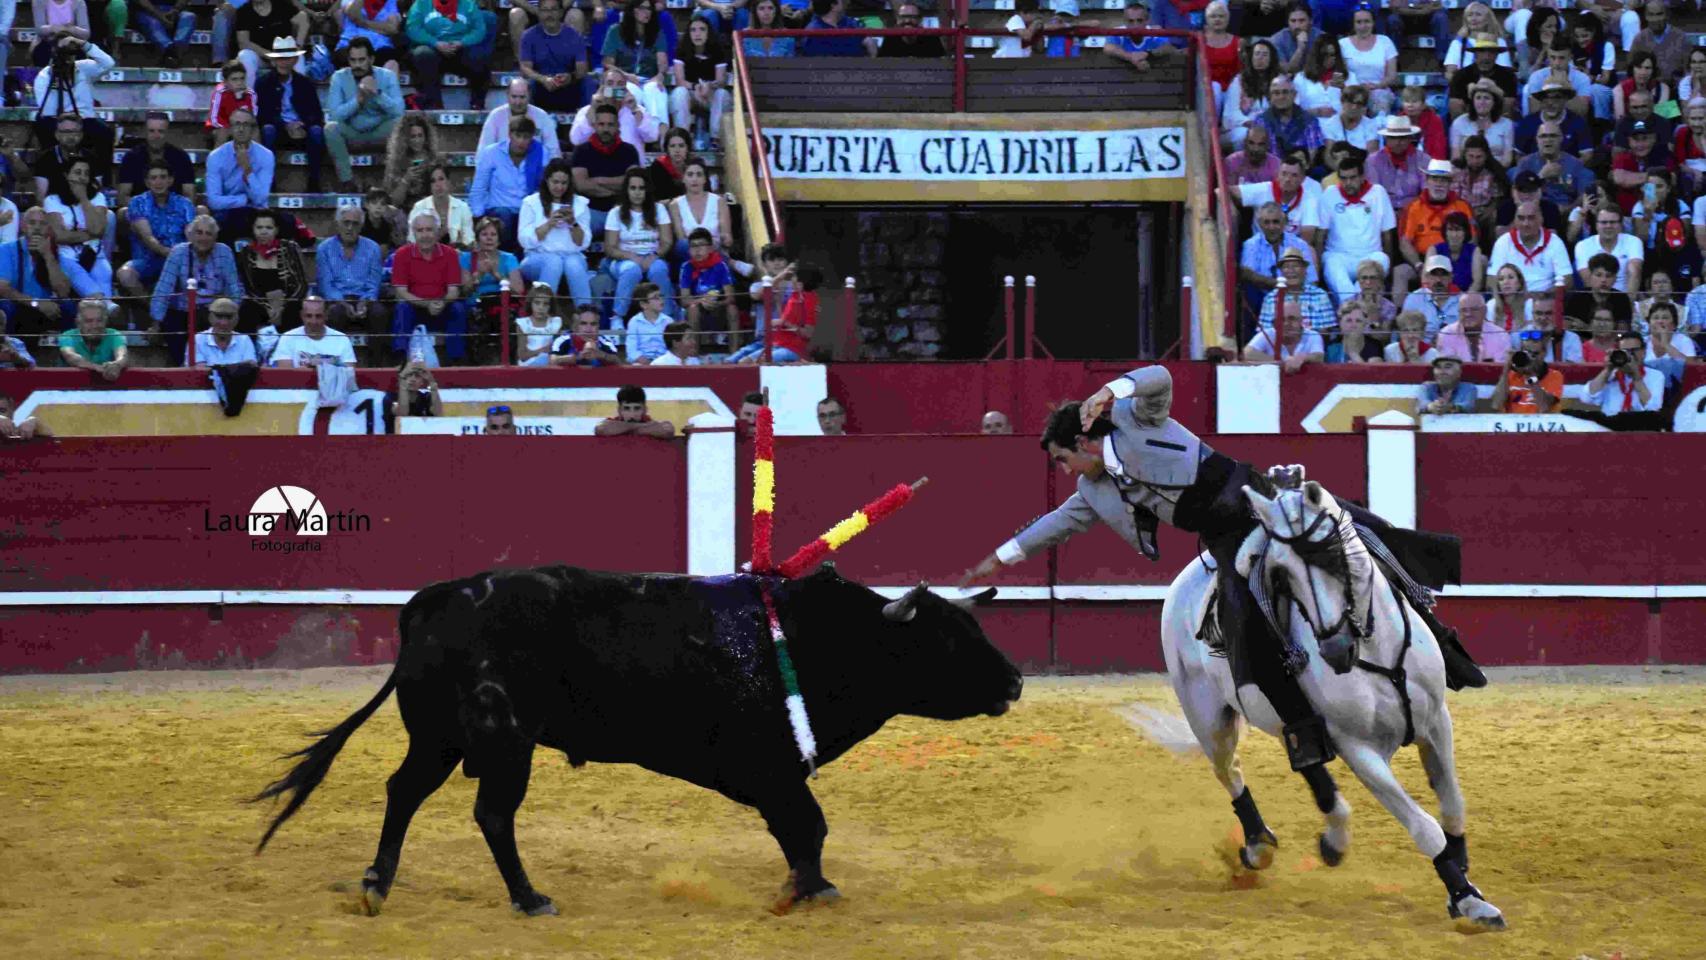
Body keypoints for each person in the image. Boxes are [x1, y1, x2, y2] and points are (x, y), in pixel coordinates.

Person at [959, 366, 1479, 799]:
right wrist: (1000, 557)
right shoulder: (1095, 491)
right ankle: (1301, 731)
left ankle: (1443, 645)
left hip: (1256, 496)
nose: (1066, 470)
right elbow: (1058, 523)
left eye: (1062, 459)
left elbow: (1158, 377)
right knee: (1242, 620)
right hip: (1224, 537)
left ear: (1081, 442)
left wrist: (1110, 390)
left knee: (1367, 534)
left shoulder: (1135, 420)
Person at [324, 37, 405, 194]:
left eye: (362, 60)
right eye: (353, 60)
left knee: (401, 124)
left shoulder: (387, 76)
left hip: (380, 133)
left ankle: (392, 182)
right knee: (331, 128)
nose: (357, 65)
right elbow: (334, 114)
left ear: (371, 59)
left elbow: (399, 111)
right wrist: (358, 102)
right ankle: (347, 182)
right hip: (352, 133)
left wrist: (377, 94)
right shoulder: (339, 77)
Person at [391, 212, 468, 364]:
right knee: (402, 308)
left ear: (438, 232)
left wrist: (441, 303)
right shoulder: (402, 254)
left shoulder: (450, 254)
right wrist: (427, 304)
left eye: (429, 230)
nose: (425, 235)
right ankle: (400, 360)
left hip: (442, 307)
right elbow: (401, 292)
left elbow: (453, 291)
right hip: (415, 308)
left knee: (458, 309)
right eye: (420, 231)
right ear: (413, 233)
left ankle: (456, 361)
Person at [30, 36, 115, 171]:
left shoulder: (83, 68)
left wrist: (83, 44)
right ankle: (53, 174)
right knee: (44, 126)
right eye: (63, 55)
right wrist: (56, 83)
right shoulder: (44, 77)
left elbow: (108, 63)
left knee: (104, 132)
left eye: (70, 56)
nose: (67, 60)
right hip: (57, 121)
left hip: (85, 120)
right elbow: (47, 111)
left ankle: (103, 178)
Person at [317, 205, 389, 364]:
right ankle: (335, 365)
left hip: (364, 299)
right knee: (335, 314)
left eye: (355, 223)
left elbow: (374, 283)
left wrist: (365, 301)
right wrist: (343, 303)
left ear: (361, 226)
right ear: (338, 224)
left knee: (380, 313)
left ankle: (376, 366)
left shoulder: (373, 248)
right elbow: (326, 286)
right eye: (346, 222)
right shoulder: (324, 249)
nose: (350, 227)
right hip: (338, 300)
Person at [1318, 154, 1396, 300]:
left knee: (1382, 259)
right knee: (1332, 265)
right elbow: (1321, 235)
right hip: (1338, 256)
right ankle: (1353, 306)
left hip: (1370, 255)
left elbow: (1387, 234)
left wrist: (1388, 270)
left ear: (1362, 177)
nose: (1348, 183)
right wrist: (1319, 269)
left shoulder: (1378, 192)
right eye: (1343, 178)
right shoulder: (1330, 194)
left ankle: (1352, 307)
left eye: (1353, 178)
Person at [604, 167, 676, 324]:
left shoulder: (659, 209)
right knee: (631, 270)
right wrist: (631, 256)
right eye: (633, 188)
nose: (637, 192)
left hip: (653, 256)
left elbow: (667, 241)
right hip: (624, 259)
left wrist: (654, 256)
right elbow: (610, 247)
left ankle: (668, 316)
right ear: (627, 190)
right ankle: (617, 316)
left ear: (647, 190)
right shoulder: (615, 213)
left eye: (641, 188)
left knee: (659, 269)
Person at [254, 38, 326, 194]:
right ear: (274, 61)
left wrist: (303, 124)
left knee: (316, 132)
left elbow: (316, 114)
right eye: (280, 59)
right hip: (278, 130)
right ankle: (269, 181)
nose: (283, 63)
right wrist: (285, 126)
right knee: (267, 130)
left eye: (287, 58)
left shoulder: (304, 83)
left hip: (301, 130)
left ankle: (314, 181)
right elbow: (262, 114)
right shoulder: (263, 83)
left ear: (294, 60)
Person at [519, 158, 594, 304]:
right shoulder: (531, 202)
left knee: (574, 264)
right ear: (547, 180)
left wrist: (573, 223)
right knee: (554, 261)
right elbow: (524, 240)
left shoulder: (580, 203)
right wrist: (549, 224)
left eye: (564, 183)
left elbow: (583, 243)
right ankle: (545, 313)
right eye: (555, 182)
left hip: (571, 255)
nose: (559, 187)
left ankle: (585, 313)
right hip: (536, 257)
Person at [470, 116, 547, 253]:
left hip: (526, 210)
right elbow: (479, 187)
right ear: (510, 134)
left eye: (526, 137)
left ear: (532, 138)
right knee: (504, 216)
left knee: (525, 219)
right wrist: (477, 218)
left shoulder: (540, 153)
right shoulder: (491, 153)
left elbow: (545, 187)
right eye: (518, 136)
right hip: (498, 210)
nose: (521, 141)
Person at [406, 0, 496, 111]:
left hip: (460, 48)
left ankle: (477, 104)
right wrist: (435, 43)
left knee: (481, 57)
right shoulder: (421, 4)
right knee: (422, 54)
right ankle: (434, 104)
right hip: (433, 49)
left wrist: (462, 42)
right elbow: (412, 29)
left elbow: (479, 30)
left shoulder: (468, 4)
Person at [41, 157, 111, 299]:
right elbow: (60, 236)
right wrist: (90, 235)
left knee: (106, 299)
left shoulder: (98, 197)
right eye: (78, 172)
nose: (82, 178)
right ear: (67, 175)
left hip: (96, 255)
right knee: (98, 298)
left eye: (86, 173)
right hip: (67, 258)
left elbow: (97, 229)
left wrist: (83, 198)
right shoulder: (52, 200)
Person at [205, 109, 276, 243]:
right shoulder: (216, 157)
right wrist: (243, 200)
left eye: (246, 125)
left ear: (252, 129)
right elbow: (213, 201)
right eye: (237, 124)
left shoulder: (266, 155)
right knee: (223, 223)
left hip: (257, 214)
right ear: (230, 129)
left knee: (280, 223)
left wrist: (247, 169)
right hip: (227, 213)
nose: (241, 129)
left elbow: (261, 198)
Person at [236, 208, 309, 337]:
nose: (264, 231)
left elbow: (302, 285)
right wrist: (268, 307)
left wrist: (282, 307)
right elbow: (249, 288)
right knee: (246, 312)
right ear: (253, 229)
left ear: (276, 230)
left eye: (269, 228)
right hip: (259, 303)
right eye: (259, 227)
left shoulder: (290, 248)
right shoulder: (246, 253)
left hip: (289, 302)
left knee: (294, 312)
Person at [601, 0, 671, 121]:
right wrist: (625, 76)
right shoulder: (615, 31)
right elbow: (607, 63)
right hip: (625, 80)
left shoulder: (657, 33)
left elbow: (662, 62)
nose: (647, 12)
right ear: (632, 10)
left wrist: (660, 75)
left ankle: (660, 134)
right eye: (642, 8)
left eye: (649, 9)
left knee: (654, 90)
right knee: (630, 93)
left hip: (649, 80)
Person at [518, 0, 590, 114]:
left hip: (568, 87)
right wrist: (543, 79)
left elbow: (582, 69)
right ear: (539, 13)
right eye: (545, 10)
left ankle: (585, 120)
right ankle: (528, 123)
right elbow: (525, 68)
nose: (549, 14)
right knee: (527, 84)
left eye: (553, 10)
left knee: (588, 82)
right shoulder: (528, 36)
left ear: (561, 12)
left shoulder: (574, 35)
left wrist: (570, 77)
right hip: (541, 87)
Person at [671, 17, 730, 148]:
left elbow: (721, 81)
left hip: (710, 93)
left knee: (722, 94)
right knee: (679, 92)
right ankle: (682, 138)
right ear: (689, 33)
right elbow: (680, 80)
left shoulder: (718, 50)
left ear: (708, 32)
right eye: (693, 30)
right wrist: (695, 87)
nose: (697, 34)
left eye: (702, 29)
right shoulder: (681, 50)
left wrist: (709, 86)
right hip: (690, 93)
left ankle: (716, 139)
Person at [115, 113, 196, 208]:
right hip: (141, 211)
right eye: (151, 131)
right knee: (122, 213)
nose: (156, 135)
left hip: (174, 210)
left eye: (160, 131)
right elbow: (123, 196)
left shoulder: (181, 157)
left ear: (167, 133)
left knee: (201, 211)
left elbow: (189, 195)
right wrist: (147, 210)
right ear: (145, 133)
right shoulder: (131, 157)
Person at [1488, 202, 1572, 291]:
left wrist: (1544, 297)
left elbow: (1567, 279)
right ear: (1515, 221)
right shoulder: (1503, 242)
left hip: (1546, 299)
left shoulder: (1555, 242)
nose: (1525, 224)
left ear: (1541, 220)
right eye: (1521, 218)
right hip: (1511, 299)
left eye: (1531, 218)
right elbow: (1491, 279)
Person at [478, 79, 565, 161]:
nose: (518, 102)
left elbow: (553, 150)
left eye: (522, 97)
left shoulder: (541, 116)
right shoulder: (495, 116)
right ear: (507, 95)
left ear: (529, 96)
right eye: (514, 97)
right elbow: (484, 151)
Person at [678, 227, 737, 342]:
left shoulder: (721, 265)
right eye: (693, 246)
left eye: (701, 245)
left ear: (710, 248)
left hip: (718, 309)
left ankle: (733, 354)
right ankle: (693, 355)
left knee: (732, 309)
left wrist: (717, 303)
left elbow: (731, 298)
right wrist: (701, 301)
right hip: (697, 310)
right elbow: (684, 300)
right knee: (693, 309)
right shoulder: (686, 267)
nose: (697, 250)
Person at [272, 296, 357, 368]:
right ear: (302, 316)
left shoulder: (342, 339)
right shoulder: (287, 338)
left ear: (326, 315)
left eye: (318, 316)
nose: (314, 321)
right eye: (309, 316)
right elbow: (286, 375)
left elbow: (349, 374)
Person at [1490, 329, 1563, 413]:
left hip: (1540, 424)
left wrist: (1530, 376)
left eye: (1534, 354)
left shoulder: (1554, 376)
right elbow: (1496, 404)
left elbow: (1544, 407)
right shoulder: (1511, 375)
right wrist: (1506, 368)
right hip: (1513, 423)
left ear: (1544, 353)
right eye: (1527, 353)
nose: (1531, 358)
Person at [1244, 300, 1324, 372]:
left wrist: (1301, 358)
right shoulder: (1267, 334)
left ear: (1301, 321)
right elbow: (1247, 353)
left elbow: (1319, 356)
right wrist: (1282, 363)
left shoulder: (1312, 335)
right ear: (1274, 323)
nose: (1286, 324)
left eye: (1291, 318)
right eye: (1281, 319)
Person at [59, 297, 126, 381]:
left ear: (106, 321)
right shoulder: (68, 336)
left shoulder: (114, 335)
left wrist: (116, 365)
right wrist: (98, 368)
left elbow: (122, 355)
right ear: (78, 323)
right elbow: (70, 356)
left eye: (99, 320)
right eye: (89, 321)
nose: (95, 326)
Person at [410, 164, 476, 249]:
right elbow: (412, 241)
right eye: (433, 181)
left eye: (441, 179)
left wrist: (460, 246)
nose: (438, 184)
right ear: (429, 186)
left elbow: (469, 242)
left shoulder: (463, 207)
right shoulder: (419, 207)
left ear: (448, 182)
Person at [384, 113, 441, 209]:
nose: (417, 140)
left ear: (426, 137)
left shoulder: (435, 160)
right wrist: (406, 180)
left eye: (420, 136)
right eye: (413, 136)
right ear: (405, 139)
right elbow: (394, 202)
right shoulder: (396, 163)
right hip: (405, 211)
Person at [1435, 293, 1512, 364]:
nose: (1468, 314)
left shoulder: (1500, 335)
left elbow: (1501, 369)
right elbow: (1447, 368)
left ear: (1484, 310)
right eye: (1464, 310)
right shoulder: (1446, 334)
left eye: (1474, 309)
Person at [337, 0, 407, 72]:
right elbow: (354, 15)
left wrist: (364, 23)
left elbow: (392, 28)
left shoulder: (390, 2)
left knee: (391, 63)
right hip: (350, 43)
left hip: (380, 46)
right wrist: (381, 26)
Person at [189, 298, 260, 367]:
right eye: (219, 316)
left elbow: (250, 368)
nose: (224, 323)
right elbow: (200, 371)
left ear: (237, 319)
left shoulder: (244, 340)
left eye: (229, 317)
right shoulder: (197, 340)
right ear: (210, 318)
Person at [1403, 255, 1463, 335]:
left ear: (1451, 277)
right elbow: (1405, 332)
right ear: (1427, 277)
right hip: (1423, 345)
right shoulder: (1414, 299)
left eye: (1443, 274)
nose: (1438, 280)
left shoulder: (1462, 301)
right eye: (1434, 274)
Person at [549, 304, 625, 366]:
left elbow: (618, 362)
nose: (588, 329)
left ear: (598, 326)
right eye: (583, 323)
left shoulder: (604, 341)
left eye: (593, 324)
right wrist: (576, 357)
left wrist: (600, 355)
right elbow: (552, 361)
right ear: (576, 326)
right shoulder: (563, 340)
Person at [207, 60, 258, 149]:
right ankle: (218, 160)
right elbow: (214, 119)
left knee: (255, 131)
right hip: (222, 126)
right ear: (225, 81)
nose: (239, 83)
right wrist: (232, 128)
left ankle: (256, 160)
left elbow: (253, 117)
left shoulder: (250, 94)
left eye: (242, 78)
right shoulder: (219, 93)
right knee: (223, 132)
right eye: (234, 79)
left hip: (242, 125)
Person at [595, 384, 676, 438]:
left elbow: (668, 431)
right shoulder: (650, 425)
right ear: (619, 410)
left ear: (644, 410)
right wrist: (641, 427)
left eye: (636, 408)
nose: (632, 414)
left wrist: (627, 428)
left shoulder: (650, 422)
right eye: (627, 408)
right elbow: (600, 429)